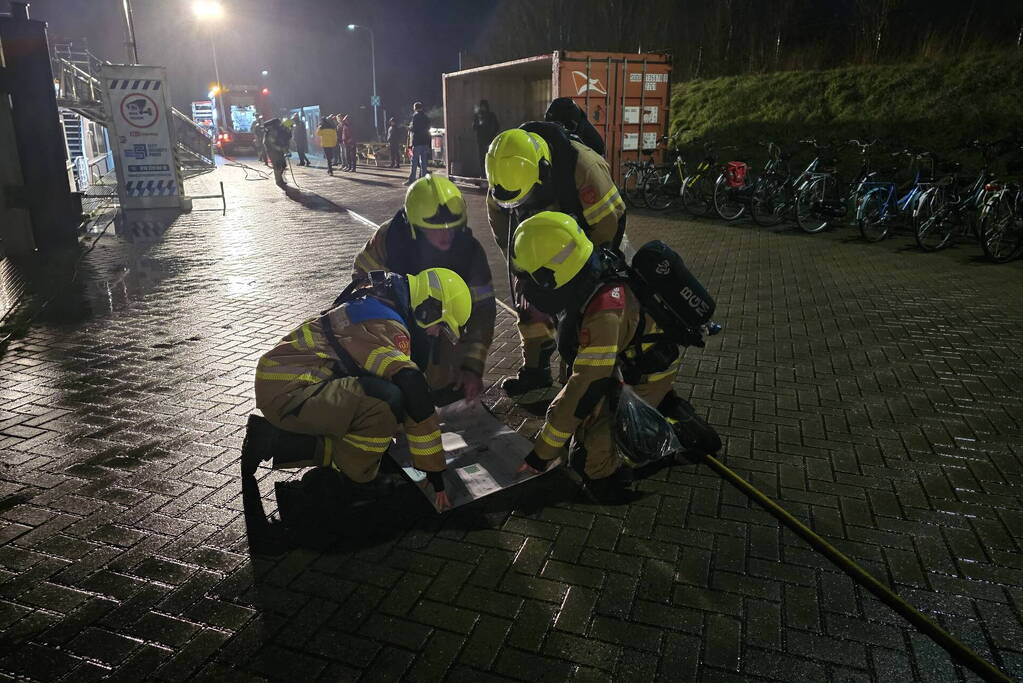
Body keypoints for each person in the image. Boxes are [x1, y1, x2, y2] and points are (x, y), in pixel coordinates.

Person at [509, 212, 718, 497]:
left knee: (588, 455)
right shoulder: (590, 266)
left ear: (552, 273)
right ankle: (668, 407)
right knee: (581, 414)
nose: (527, 288)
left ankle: (616, 473)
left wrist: (542, 453)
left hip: (647, 370)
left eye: (532, 279)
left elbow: (586, 386)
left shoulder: (604, 311)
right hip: (637, 361)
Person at [243, 267, 474, 512]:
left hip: (288, 385)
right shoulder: (388, 327)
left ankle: (273, 440)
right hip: (292, 392)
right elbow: (409, 384)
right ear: (430, 309)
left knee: (374, 427)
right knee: (384, 403)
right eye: (441, 327)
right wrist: (433, 468)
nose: (435, 335)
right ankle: (359, 482)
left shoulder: (379, 302)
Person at [485, 123, 626, 404]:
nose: (519, 204)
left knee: (584, 313)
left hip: (590, 244)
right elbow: (502, 228)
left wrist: (582, 275)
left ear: (544, 170)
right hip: (541, 245)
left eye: (524, 198)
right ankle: (535, 370)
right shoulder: (503, 177)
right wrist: (523, 269)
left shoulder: (584, 167)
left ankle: (582, 378)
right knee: (528, 304)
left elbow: (610, 223)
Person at [353, 175, 495, 402]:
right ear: (414, 228)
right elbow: (361, 285)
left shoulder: (469, 251)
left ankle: (440, 378)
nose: (446, 235)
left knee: (446, 388)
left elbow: (483, 312)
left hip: (442, 330)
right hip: (394, 325)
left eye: (452, 227)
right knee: (393, 392)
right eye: (435, 229)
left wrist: (472, 367)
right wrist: (407, 314)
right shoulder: (388, 240)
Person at [472, 99, 499, 177]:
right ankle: (483, 176)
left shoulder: (491, 115)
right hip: (480, 141)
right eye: (482, 107)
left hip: (490, 140)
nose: (483, 108)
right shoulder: (478, 116)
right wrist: (478, 122)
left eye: (484, 106)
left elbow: (497, 126)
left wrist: (492, 135)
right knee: (482, 160)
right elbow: (474, 127)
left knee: (490, 159)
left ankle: (491, 175)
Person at [406, 102, 431, 185]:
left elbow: (414, 128)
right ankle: (423, 180)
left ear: (415, 108)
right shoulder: (426, 117)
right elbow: (428, 128)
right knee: (423, 162)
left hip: (417, 142)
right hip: (425, 142)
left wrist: (409, 128)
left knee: (414, 162)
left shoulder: (415, 116)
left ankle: (411, 179)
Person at [262, 117, 292, 187]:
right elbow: (269, 143)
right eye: (279, 123)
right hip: (273, 152)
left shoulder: (280, 130)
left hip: (279, 151)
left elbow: (286, 138)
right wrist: (279, 148)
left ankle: (280, 179)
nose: (280, 124)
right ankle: (278, 181)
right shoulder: (272, 131)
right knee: (277, 166)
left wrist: (288, 130)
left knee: (283, 165)